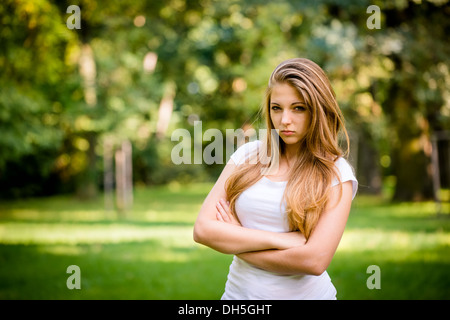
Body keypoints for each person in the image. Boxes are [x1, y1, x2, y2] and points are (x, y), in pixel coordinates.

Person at [193, 58, 358, 300]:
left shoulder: (335, 173)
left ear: (318, 110)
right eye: (276, 108)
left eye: (298, 108)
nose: (285, 120)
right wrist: (282, 240)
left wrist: (237, 239)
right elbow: (203, 230)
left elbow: (314, 260)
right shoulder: (247, 156)